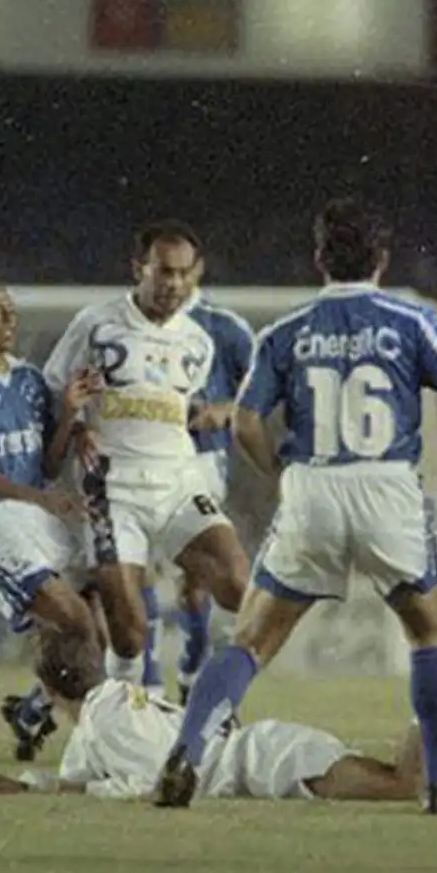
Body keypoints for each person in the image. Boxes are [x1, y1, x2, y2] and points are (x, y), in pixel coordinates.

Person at [156, 199, 437, 815]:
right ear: (382, 259)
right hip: (386, 488)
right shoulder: (411, 320)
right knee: (429, 633)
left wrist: (282, 472)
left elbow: (243, 422)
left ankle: (186, 751)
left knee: (251, 641)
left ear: (319, 259)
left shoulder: (284, 332)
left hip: (313, 487)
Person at [0, 627, 437, 802]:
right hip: (264, 754)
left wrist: (93, 795)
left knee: (407, 784)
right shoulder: (110, 704)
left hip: (266, 762)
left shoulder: (107, 723)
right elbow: (75, 777)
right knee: (420, 778)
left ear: (48, 686)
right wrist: (30, 787)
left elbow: (149, 782)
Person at [41, 223, 253, 686]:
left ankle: (203, 686)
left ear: (196, 274)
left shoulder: (198, 340)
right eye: (163, 273)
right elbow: (52, 390)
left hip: (179, 483)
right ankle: (125, 710)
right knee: (130, 633)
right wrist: (73, 426)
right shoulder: (96, 324)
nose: (173, 284)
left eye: (183, 273)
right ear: (139, 269)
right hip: (114, 490)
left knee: (241, 586)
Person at [0, 282, 103, 760]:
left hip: (36, 514)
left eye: (11, 311)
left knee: (90, 620)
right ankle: (98, 742)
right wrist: (40, 499)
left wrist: (70, 412)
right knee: (73, 620)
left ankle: (33, 711)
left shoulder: (30, 380)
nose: (9, 319)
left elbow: (50, 466)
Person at [151, 282, 255, 701]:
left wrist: (222, 411)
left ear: (196, 268)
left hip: (202, 462)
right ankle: (145, 687)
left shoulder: (225, 327)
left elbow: (261, 395)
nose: (171, 280)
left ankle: (193, 666)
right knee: (135, 571)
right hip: (141, 461)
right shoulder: (124, 323)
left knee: (196, 576)